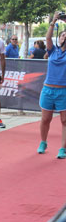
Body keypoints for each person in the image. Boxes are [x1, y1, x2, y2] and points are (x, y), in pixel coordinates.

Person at [37, 12, 66, 159]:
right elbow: (48, 37)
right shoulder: (52, 50)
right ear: (59, 38)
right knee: (45, 119)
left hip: (64, 92)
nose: (64, 37)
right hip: (48, 89)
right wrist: (54, 20)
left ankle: (63, 148)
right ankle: (43, 142)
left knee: (64, 120)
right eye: (62, 35)